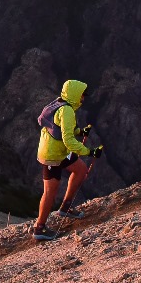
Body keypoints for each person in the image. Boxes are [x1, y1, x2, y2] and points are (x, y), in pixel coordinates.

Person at [33, 79, 96, 240]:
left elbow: (61, 129)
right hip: (52, 155)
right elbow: (68, 139)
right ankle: (39, 229)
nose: (83, 99)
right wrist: (88, 152)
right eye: (82, 95)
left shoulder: (58, 103)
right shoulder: (67, 110)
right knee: (50, 191)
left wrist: (80, 132)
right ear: (75, 95)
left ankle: (65, 207)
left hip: (58, 150)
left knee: (80, 170)